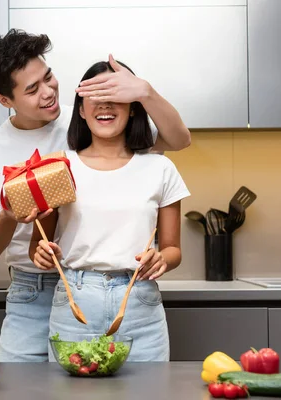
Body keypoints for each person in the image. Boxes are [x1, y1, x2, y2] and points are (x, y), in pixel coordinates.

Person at [0, 29, 191, 362]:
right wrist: (9, 214)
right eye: (32, 89)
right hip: (33, 288)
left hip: (102, 286)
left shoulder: (95, 115)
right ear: (4, 100)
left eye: (48, 78)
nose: (48, 92)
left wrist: (144, 91)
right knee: (23, 387)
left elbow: (179, 139)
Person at [29, 59, 191, 362]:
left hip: (140, 301)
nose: (106, 105)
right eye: (95, 96)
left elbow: (172, 249)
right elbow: (38, 245)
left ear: (132, 108)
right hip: (75, 303)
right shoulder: (58, 166)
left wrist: (161, 259)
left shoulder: (160, 168)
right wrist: (41, 253)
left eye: (116, 97)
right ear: (80, 109)